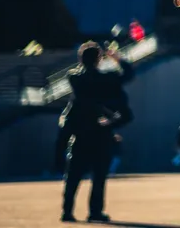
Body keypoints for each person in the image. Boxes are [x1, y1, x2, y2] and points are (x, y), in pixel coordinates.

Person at [60, 41, 135, 223]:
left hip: (80, 132)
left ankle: (67, 211)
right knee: (99, 176)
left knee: (73, 176)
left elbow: (79, 76)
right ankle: (95, 211)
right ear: (99, 59)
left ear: (81, 59)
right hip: (101, 133)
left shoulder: (75, 78)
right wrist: (116, 58)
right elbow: (128, 74)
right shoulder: (107, 79)